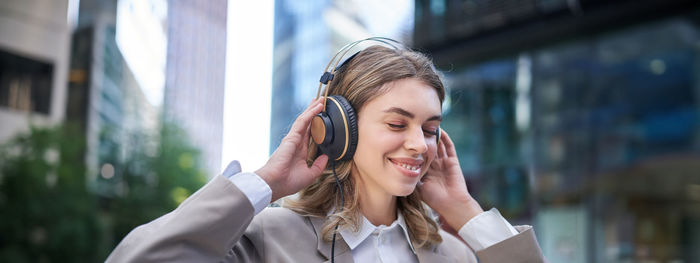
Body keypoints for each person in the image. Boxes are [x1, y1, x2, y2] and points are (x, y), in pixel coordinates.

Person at [106, 40, 546, 263]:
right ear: (340, 130)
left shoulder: (451, 255)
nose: (419, 144)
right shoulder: (268, 239)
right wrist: (266, 183)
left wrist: (465, 212)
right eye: (397, 123)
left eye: (430, 129)